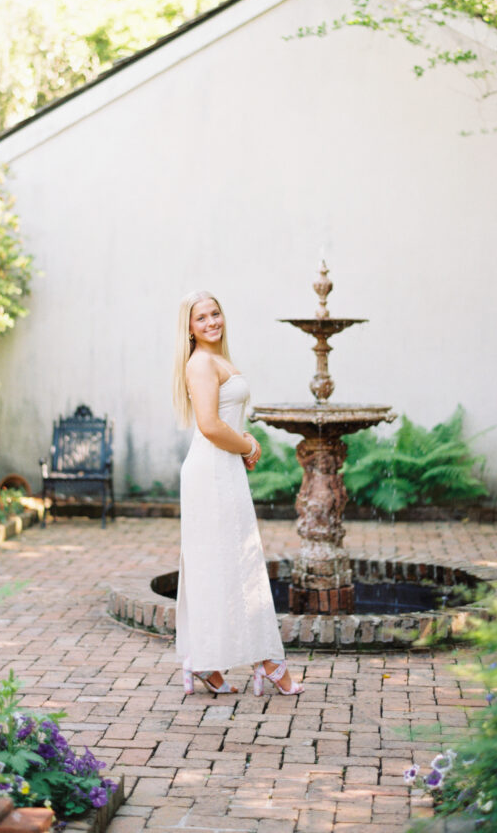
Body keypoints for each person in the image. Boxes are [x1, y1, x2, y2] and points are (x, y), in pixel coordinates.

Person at [172, 290, 303, 697]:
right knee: (229, 563)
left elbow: (222, 420)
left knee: (227, 562)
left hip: (223, 468)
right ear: (190, 329)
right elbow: (209, 425)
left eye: (216, 313)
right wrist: (246, 445)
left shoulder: (219, 359)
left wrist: (242, 440)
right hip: (211, 470)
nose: (212, 321)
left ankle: (208, 664)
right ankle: (267, 661)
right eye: (202, 318)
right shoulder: (200, 364)